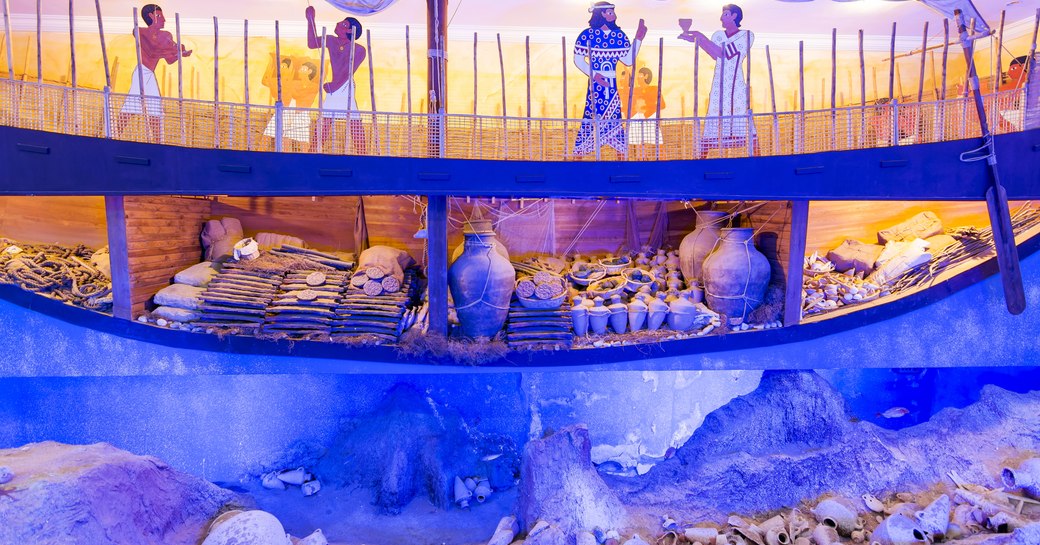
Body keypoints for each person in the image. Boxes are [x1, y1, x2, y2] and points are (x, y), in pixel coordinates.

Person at [572, 1, 647, 157]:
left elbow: (627, 60)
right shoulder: (587, 35)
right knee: (592, 115)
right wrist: (595, 75)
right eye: (610, 12)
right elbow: (579, 60)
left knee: (614, 117)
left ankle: (620, 156)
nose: (614, 15)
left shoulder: (619, 36)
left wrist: (638, 39)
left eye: (613, 12)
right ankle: (579, 156)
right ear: (601, 15)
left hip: (611, 85)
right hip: (595, 85)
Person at [678, 4, 753, 155]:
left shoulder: (746, 35)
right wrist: (696, 40)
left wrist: (699, 36)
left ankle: (756, 157)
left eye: (725, 14)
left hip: (735, 82)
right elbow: (715, 54)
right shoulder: (718, 35)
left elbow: (725, 53)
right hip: (719, 82)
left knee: (739, 112)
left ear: (734, 16)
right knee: (714, 111)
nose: (721, 18)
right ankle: (701, 158)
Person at [118, 4, 192, 142]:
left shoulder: (166, 35)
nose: (164, 19)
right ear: (152, 17)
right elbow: (152, 48)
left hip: (149, 74)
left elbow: (170, 60)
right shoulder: (140, 31)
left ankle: (157, 141)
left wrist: (180, 53)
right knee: (131, 104)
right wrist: (173, 49)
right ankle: (116, 135)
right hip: (141, 71)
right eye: (160, 16)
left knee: (155, 107)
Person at [305, 6, 366, 154]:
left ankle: (363, 154)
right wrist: (310, 19)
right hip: (334, 87)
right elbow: (312, 43)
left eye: (344, 24)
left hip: (345, 87)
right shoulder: (331, 40)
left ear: (351, 31)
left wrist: (334, 85)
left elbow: (348, 71)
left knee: (354, 120)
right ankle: (313, 151)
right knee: (325, 120)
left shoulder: (359, 49)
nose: (338, 23)